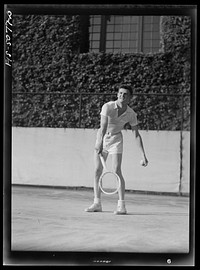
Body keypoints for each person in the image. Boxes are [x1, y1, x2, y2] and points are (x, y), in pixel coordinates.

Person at [85, 84, 148, 215]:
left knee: (117, 170)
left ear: (130, 97)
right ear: (117, 94)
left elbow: (136, 135)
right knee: (97, 170)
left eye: (125, 94)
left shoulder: (131, 114)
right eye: (120, 93)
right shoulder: (107, 107)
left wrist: (143, 155)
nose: (121, 96)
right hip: (102, 138)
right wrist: (100, 143)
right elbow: (103, 127)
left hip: (116, 140)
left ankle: (121, 206)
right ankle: (97, 203)